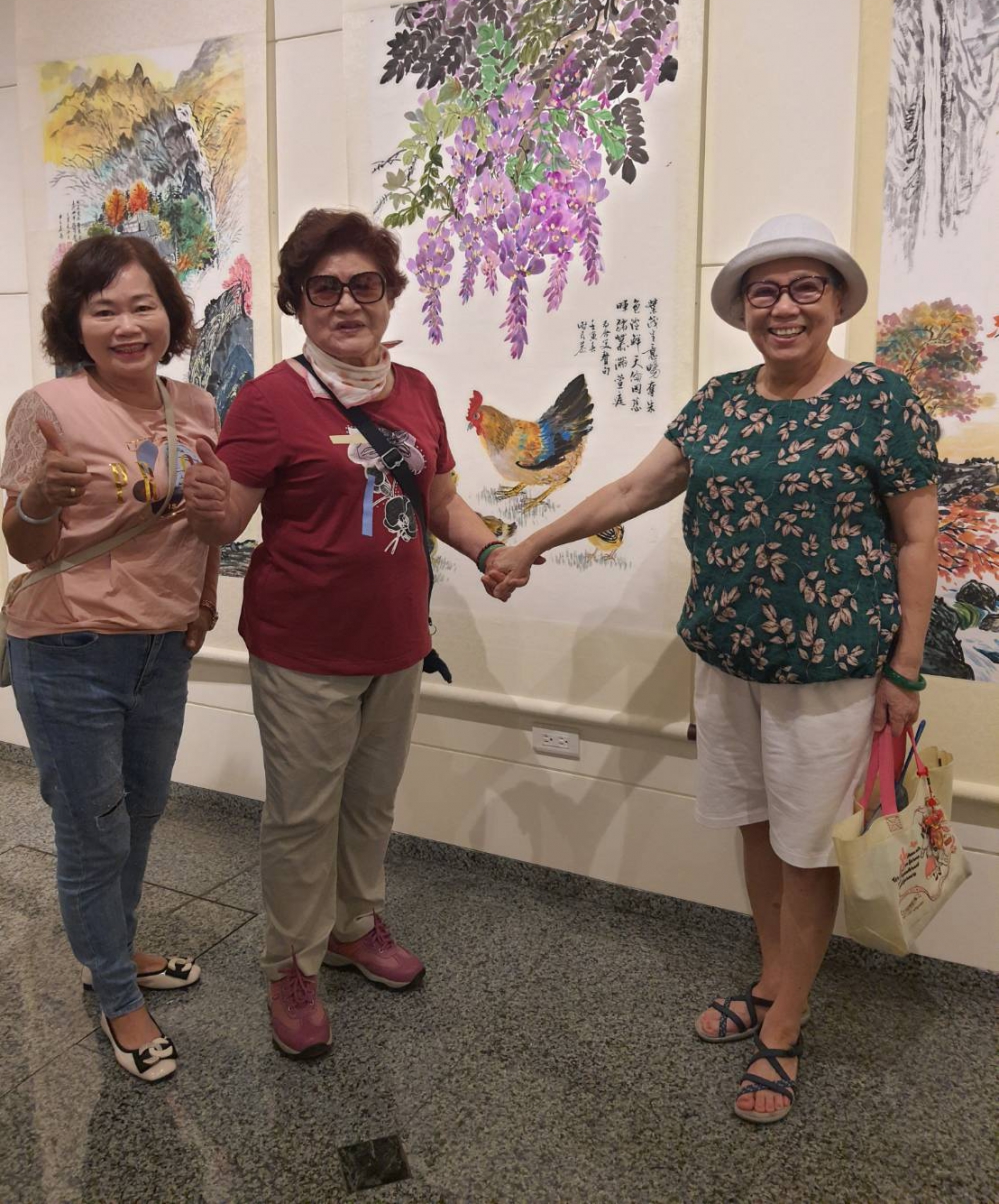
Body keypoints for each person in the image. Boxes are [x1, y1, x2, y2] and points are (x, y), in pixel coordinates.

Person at [485, 216, 939, 1123]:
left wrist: (906, 669)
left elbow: (916, 538)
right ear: (741, 308)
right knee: (755, 825)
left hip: (829, 670)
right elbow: (630, 489)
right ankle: (771, 979)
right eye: (764, 291)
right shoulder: (718, 402)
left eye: (805, 287)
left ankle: (786, 1024)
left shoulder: (880, 400)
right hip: (727, 659)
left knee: (807, 848)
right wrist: (529, 542)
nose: (784, 307)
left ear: (835, 300)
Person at [183, 209, 508, 1059]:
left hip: (396, 640)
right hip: (302, 648)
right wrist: (206, 504)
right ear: (296, 301)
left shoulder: (417, 391)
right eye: (323, 288)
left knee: (370, 802)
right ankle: (289, 963)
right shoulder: (268, 400)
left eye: (364, 284)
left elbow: (439, 501)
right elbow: (228, 523)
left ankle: (352, 926)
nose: (346, 302)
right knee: (302, 817)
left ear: (390, 294)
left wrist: (489, 550)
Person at [1, 236, 220, 1083]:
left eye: (141, 305)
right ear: (75, 323)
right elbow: (26, 546)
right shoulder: (46, 405)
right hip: (68, 645)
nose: (126, 325)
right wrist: (34, 500)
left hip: (163, 645)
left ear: (169, 314)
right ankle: (118, 994)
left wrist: (205, 600)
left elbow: (206, 522)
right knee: (93, 830)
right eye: (104, 310)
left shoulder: (197, 405)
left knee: (144, 810)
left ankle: (113, 951)